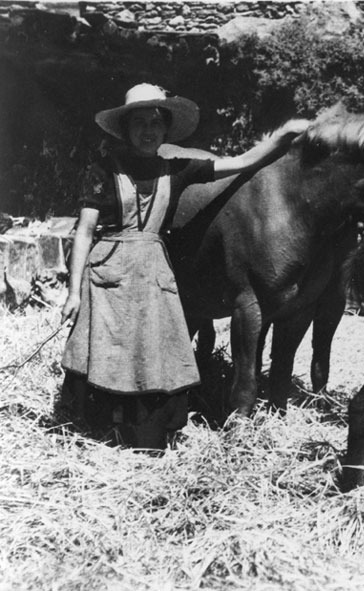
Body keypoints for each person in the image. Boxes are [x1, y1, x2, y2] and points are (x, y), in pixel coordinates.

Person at [57, 83, 303, 450]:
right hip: (108, 273)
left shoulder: (179, 169)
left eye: (156, 122)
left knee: (150, 355)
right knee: (111, 348)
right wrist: (73, 292)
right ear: (125, 129)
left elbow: (240, 162)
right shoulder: (103, 170)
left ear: (166, 129)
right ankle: (102, 424)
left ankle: (141, 429)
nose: (148, 130)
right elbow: (84, 232)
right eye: (139, 122)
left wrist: (282, 136)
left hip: (154, 274)